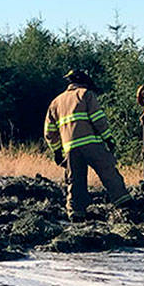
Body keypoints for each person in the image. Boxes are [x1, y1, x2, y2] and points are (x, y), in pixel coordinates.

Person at [44, 69, 132, 221]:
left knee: (75, 180)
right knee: (108, 170)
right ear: (84, 81)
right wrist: (108, 139)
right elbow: (98, 119)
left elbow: (49, 131)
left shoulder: (56, 102)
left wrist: (57, 151)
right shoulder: (86, 95)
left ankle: (75, 212)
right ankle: (123, 203)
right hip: (91, 144)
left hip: (70, 148)